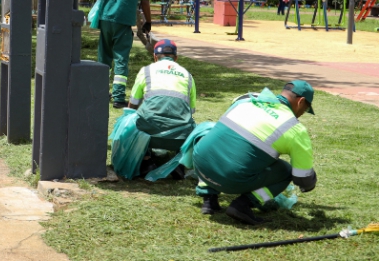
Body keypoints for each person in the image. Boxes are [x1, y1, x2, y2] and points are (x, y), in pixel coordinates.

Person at [192, 81, 317, 225]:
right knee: (286, 171)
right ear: (301, 102)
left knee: (218, 144)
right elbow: (302, 178)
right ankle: (244, 205)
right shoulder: (295, 129)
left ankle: (209, 199)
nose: (302, 114)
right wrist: (310, 182)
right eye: (305, 109)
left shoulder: (247, 98)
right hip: (230, 180)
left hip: (200, 165)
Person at [93, 0, 152, 108]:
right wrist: (148, 21)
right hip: (124, 21)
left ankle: (101, 92)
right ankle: (118, 98)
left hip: (106, 18)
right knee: (120, 58)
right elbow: (145, 1)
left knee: (104, 56)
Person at [128, 39, 196, 174]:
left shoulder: (146, 71)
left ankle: (146, 160)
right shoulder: (188, 76)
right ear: (175, 58)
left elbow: (132, 105)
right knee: (190, 123)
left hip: (148, 136)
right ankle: (179, 162)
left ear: (154, 56)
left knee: (132, 119)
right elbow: (191, 111)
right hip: (179, 137)